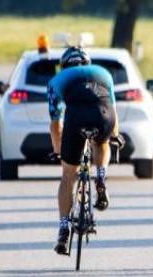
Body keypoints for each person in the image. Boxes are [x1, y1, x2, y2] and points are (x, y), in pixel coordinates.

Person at [47, 46, 120, 255]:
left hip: (76, 119)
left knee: (68, 176)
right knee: (102, 142)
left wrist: (58, 150)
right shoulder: (103, 73)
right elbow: (113, 112)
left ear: (64, 65)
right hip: (103, 115)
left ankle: (63, 229)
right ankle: (101, 177)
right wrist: (113, 135)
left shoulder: (57, 80)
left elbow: (55, 124)